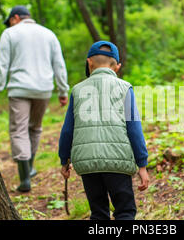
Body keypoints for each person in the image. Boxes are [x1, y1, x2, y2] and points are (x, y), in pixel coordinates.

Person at [58, 41, 149, 220]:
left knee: (98, 213)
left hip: (88, 163)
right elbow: (134, 129)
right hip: (118, 161)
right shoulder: (124, 88)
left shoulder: (77, 90)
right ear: (117, 67)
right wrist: (142, 164)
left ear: (89, 62)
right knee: (125, 211)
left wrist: (64, 160)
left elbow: (67, 130)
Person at [0, 6, 69, 192]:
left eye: (10, 21)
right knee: (35, 128)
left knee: (19, 130)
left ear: (15, 18)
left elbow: (2, 64)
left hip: (19, 89)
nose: (9, 24)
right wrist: (63, 90)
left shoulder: (10, 34)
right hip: (43, 90)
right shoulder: (48, 34)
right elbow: (59, 64)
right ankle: (30, 167)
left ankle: (25, 178)